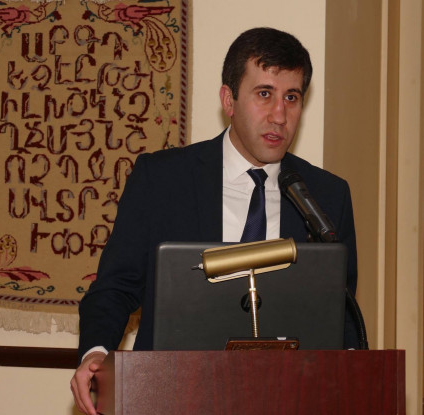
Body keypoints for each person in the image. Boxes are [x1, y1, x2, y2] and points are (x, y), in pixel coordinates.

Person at [71, 27, 358, 415]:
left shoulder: (326, 195)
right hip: (170, 396)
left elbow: (339, 313)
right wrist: (96, 353)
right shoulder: (162, 179)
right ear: (229, 100)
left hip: (286, 400)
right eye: (264, 94)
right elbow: (115, 286)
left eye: (291, 98)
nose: (279, 115)